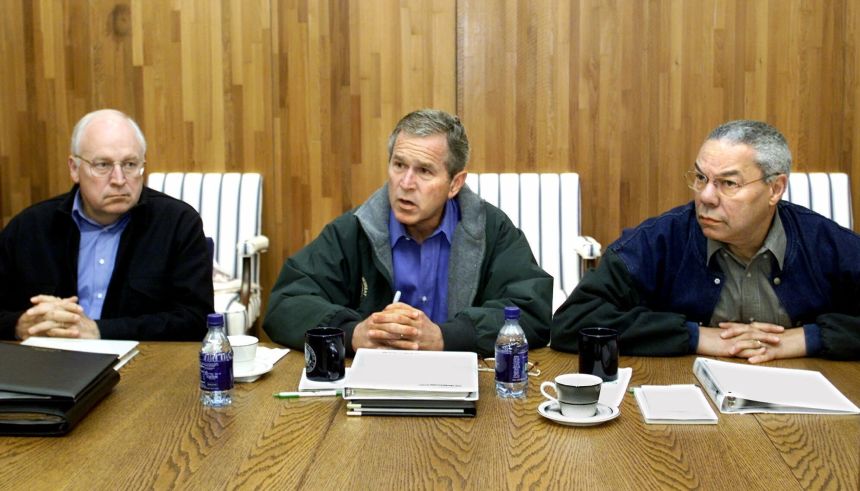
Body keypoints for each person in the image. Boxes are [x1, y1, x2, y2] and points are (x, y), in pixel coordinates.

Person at [552, 120, 860, 362]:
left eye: (728, 183)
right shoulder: (660, 241)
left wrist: (809, 338)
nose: (706, 197)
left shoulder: (824, 243)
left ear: (775, 189)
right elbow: (571, 323)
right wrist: (694, 337)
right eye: (701, 178)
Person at [264, 109, 552, 356]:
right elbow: (285, 304)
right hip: (373, 385)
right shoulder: (355, 229)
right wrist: (352, 333)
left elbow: (532, 313)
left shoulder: (491, 229)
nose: (406, 182)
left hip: (463, 383)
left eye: (425, 171)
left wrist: (446, 336)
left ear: (455, 184)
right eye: (399, 165)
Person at [0, 109, 213, 341]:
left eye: (130, 164)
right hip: (48, 364)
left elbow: (196, 320)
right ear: (74, 168)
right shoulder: (30, 227)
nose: (119, 180)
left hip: (143, 366)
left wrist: (99, 331)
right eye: (102, 165)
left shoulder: (178, 223)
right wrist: (18, 325)